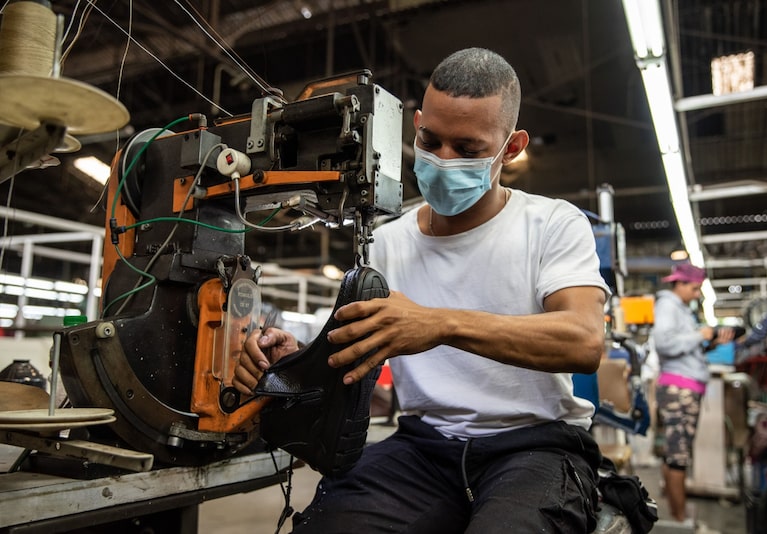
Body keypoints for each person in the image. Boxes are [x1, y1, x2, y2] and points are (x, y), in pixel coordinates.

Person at [234, 47, 610, 533]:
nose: (442, 160)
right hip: (423, 448)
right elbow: (356, 361)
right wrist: (297, 362)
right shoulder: (387, 242)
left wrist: (440, 324)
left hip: (534, 447)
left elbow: (583, 341)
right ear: (415, 125)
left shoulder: (552, 224)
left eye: (468, 149)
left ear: (511, 148)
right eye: (430, 141)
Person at [652, 263, 734, 523]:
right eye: (695, 288)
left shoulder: (681, 310)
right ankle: (680, 520)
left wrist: (709, 343)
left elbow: (683, 348)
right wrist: (700, 334)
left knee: (676, 453)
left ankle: (679, 516)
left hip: (685, 386)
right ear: (680, 284)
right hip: (679, 389)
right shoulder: (668, 305)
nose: (698, 294)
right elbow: (664, 344)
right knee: (678, 457)